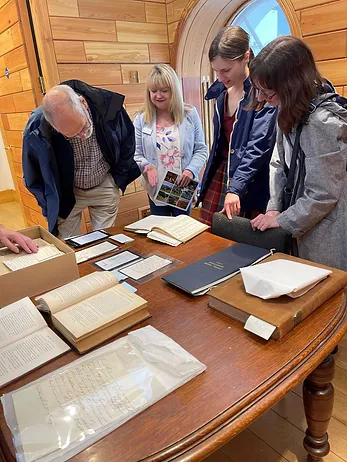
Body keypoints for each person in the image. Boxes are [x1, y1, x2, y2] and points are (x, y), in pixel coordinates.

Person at [249, 36, 347, 270]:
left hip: (326, 233)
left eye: (268, 92)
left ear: (291, 86)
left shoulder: (321, 123)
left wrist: (282, 219)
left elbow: (323, 194)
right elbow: (278, 163)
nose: (261, 98)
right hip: (301, 220)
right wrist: (274, 206)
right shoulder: (287, 108)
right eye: (258, 91)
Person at [22, 81, 140, 238]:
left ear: (83, 103)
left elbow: (128, 141)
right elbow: (32, 174)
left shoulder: (108, 104)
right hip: (66, 193)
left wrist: (116, 179)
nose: (83, 136)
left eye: (83, 127)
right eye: (72, 135)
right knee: (68, 246)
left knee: (105, 241)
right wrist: (49, 203)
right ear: (53, 126)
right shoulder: (37, 125)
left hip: (104, 183)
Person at [197, 26, 278, 226]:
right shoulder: (221, 95)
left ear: (246, 56)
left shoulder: (262, 94)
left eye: (226, 70)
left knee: (243, 244)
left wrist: (235, 189)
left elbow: (258, 146)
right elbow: (219, 146)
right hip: (222, 173)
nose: (221, 77)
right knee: (211, 237)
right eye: (216, 71)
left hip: (250, 178)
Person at [134, 64, 208, 216]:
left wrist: (191, 171)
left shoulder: (190, 114)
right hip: (156, 189)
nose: (158, 95)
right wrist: (147, 166)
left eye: (164, 91)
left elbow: (201, 149)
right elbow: (136, 154)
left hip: (182, 186)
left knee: (182, 232)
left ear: (174, 90)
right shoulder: (141, 119)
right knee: (159, 232)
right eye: (154, 91)